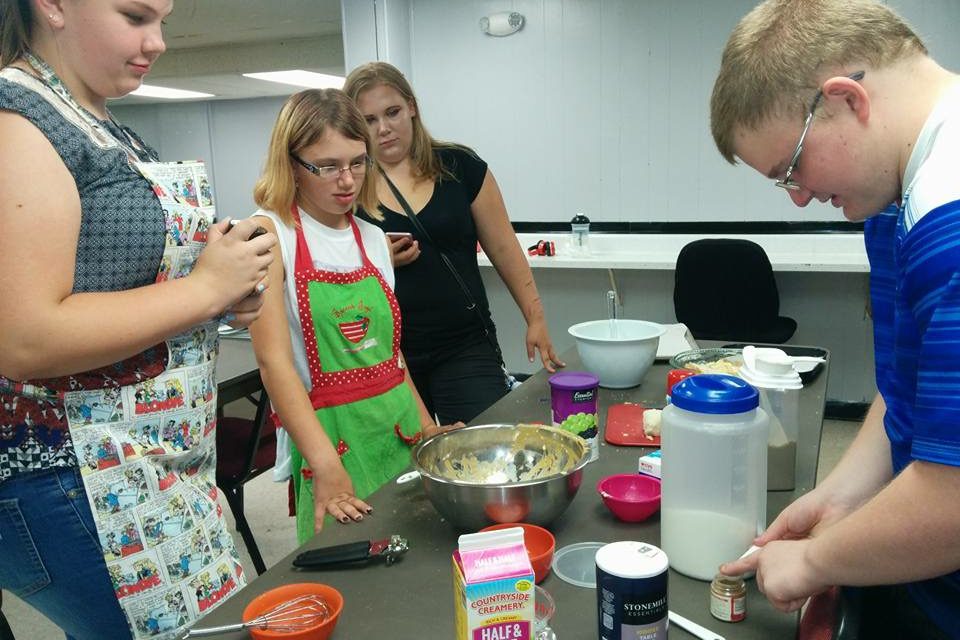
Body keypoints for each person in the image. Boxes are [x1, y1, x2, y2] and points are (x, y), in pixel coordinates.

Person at [0, 1, 275, 639]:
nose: (157, 41)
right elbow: (24, 336)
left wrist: (220, 284)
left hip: (151, 455)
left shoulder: (92, 118)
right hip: (77, 468)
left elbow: (125, 283)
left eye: (164, 20)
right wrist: (205, 289)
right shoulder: (19, 121)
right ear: (53, 5)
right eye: (133, 15)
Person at [711, 1, 960, 637]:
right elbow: (910, 392)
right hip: (927, 578)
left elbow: (953, 499)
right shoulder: (893, 198)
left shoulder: (949, 225)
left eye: (792, 168)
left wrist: (817, 560)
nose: (798, 195)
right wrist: (843, 494)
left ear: (847, 99)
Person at [247, 88, 455, 544]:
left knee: (413, 550)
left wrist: (427, 430)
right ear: (292, 163)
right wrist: (324, 464)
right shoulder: (270, 235)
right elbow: (274, 364)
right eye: (327, 167)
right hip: (334, 440)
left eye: (358, 163)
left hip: (396, 428)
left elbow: (390, 356)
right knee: (349, 561)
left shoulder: (374, 240)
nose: (348, 181)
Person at [343, 62, 563, 425]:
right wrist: (379, 260)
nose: (383, 129)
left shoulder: (460, 167)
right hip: (385, 352)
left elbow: (505, 248)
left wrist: (535, 317)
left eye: (392, 112)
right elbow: (332, 273)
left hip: (464, 346)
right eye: (368, 120)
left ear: (412, 106)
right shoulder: (348, 185)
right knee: (403, 472)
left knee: (484, 452)